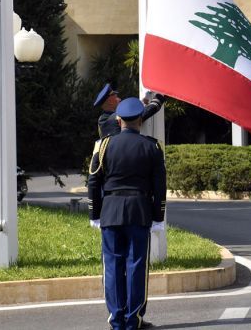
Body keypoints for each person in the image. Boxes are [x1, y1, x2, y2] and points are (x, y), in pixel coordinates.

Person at [87, 97, 167, 330]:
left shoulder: (104, 145)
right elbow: (159, 186)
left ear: (119, 120)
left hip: (111, 212)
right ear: (140, 120)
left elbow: (93, 181)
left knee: (112, 266)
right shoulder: (152, 147)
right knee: (136, 266)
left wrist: (95, 213)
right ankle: (134, 320)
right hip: (139, 211)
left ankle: (116, 319)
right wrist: (158, 217)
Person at [94, 83, 166, 138]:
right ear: (110, 101)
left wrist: (142, 103)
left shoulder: (105, 118)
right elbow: (138, 114)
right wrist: (160, 97)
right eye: (116, 97)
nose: (120, 99)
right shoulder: (107, 119)